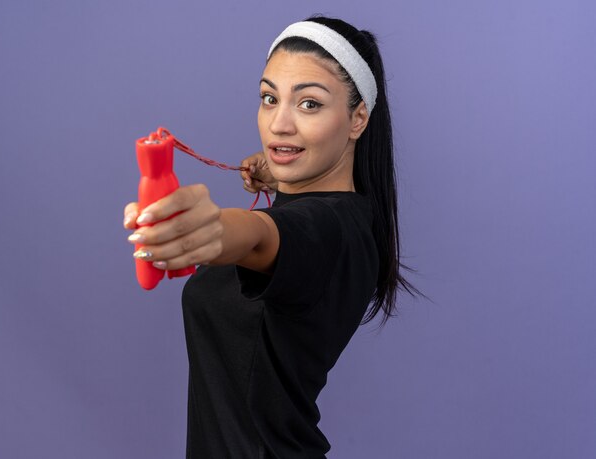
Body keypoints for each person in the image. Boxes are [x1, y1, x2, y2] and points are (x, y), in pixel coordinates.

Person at [123, 15, 422, 458]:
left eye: (309, 105)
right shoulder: (351, 216)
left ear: (358, 118)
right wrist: (278, 177)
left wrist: (212, 226)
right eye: (269, 98)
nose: (279, 125)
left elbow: (264, 235)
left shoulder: (327, 232)